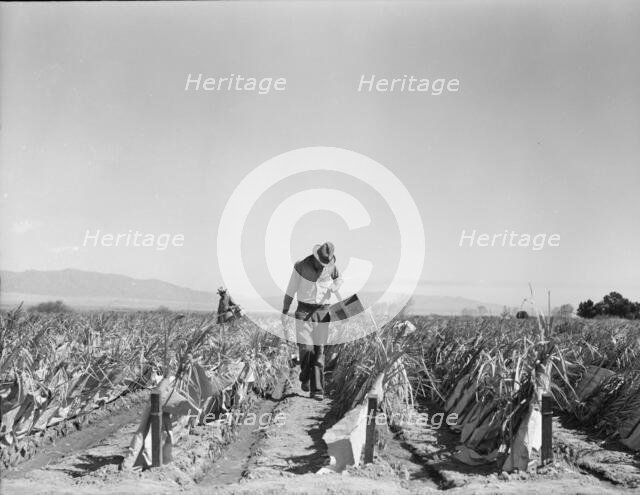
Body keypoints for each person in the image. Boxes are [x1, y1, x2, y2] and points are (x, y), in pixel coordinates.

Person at [281, 242, 343, 400]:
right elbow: (290, 290)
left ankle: (317, 390)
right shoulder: (300, 267)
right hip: (304, 311)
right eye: (321, 262)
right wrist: (285, 310)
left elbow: (339, 279)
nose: (323, 265)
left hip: (323, 312)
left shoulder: (331, 267)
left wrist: (336, 285)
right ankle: (306, 375)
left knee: (319, 352)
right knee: (306, 348)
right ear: (315, 257)